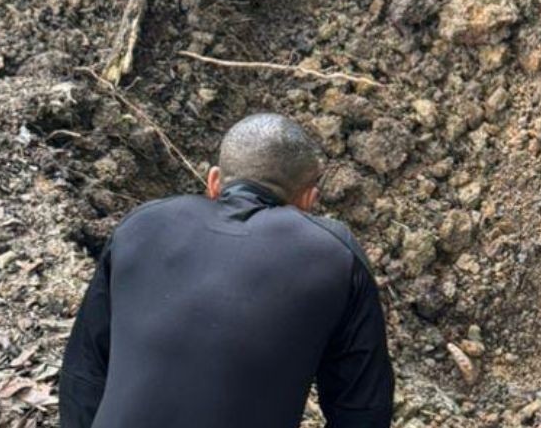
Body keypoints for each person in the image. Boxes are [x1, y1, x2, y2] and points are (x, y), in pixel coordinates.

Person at [58, 113, 393, 428]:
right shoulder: (335, 256)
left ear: (214, 181)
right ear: (308, 199)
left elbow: (83, 376)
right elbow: (362, 411)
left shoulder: (141, 226)